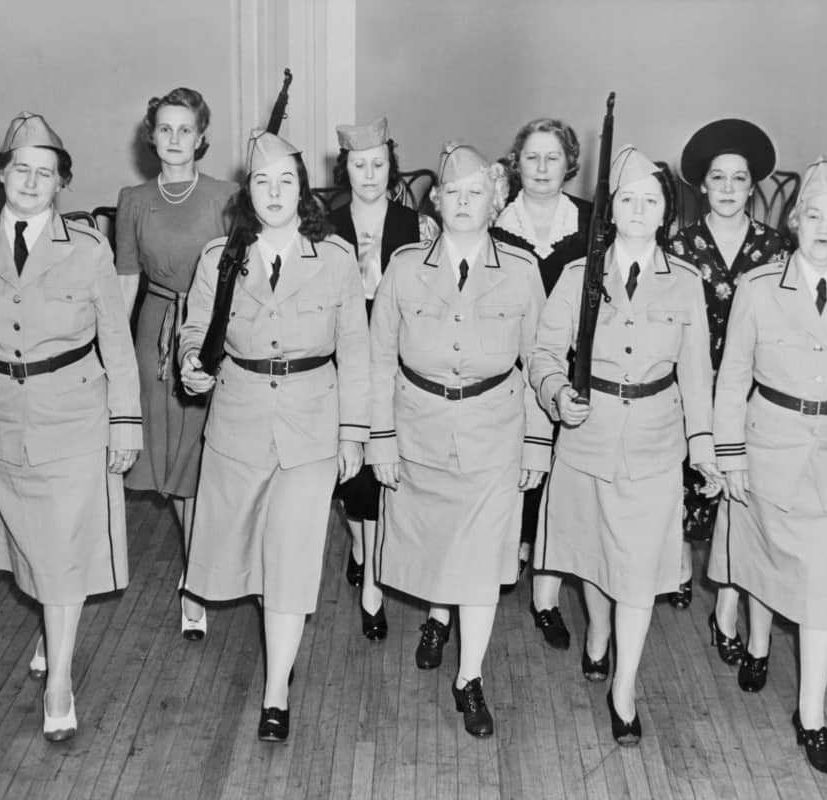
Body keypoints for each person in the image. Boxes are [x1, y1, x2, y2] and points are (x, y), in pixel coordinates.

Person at [0, 112, 142, 742]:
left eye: (45, 173)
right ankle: (51, 632)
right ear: (1, 175)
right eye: (20, 169)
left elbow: (117, 343)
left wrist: (124, 422)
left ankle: (59, 682)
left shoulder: (88, 250)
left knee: (62, 551)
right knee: (31, 547)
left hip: (75, 415)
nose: (31, 181)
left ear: (61, 184)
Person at [178, 130, 369, 743]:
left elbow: (358, 354)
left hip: (312, 423)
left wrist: (354, 433)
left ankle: (276, 688)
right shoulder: (218, 259)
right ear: (247, 191)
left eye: (286, 181)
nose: (275, 193)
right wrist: (191, 365)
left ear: (303, 191)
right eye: (262, 182)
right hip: (237, 420)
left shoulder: (335, 259)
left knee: (290, 556)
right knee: (237, 551)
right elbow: (194, 332)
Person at [709, 157, 827, 774]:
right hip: (767, 448)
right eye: (813, 215)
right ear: (794, 222)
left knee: (822, 589)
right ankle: (758, 645)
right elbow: (734, 374)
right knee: (766, 561)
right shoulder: (759, 287)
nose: (825, 227)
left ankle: (811, 716)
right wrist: (729, 452)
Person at [529, 146, 719, 746]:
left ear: (666, 212)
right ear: (612, 208)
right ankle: (596, 636)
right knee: (593, 556)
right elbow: (541, 355)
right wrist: (558, 394)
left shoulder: (686, 283)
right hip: (588, 437)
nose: (639, 211)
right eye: (628, 200)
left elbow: (697, 373)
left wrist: (704, 446)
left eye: (651, 200)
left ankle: (624, 687)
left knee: (638, 573)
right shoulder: (577, 275)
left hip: (656, 441)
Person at [368, 142, 550, 738]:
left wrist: (536, 443)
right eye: (454, 193)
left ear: (495, 201)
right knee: (436, 547)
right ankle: (435, 617)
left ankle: (469, 676)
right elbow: (376, 361)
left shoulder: (522, 272)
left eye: (477, 193)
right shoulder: (403, 267)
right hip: (418, 428)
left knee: (482, 561)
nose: (465, 203)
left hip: (494, 431)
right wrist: (381, 438)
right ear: (437, 202)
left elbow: (540, 361)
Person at [116, 87, 238, 640]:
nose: (174, 139)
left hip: (212, 334)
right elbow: (125, 282)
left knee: (197, 462)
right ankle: (195, 578)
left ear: (201, 137)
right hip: (152, 335)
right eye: (164, 129)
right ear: (151, 137)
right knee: (165, 460)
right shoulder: (134, 199)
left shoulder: (227, 195)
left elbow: (244, 275)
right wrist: (112, 354)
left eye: (184, 129)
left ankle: (197, 581)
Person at [667, 119, 791, 651]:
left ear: (752, 186)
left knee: (741, 499)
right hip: (692, 389)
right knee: (687, 491)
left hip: (750, 396)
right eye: (718, 178)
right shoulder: (678, 246)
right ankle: (674, 567)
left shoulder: (776, 247)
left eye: (738, 179)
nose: (727, 188)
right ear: (702, 184)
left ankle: (728, 601)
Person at [493, 117, 593, 650]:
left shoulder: (592, 224)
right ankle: (506, 560)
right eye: (531, 157)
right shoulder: (496, 224)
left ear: (568, 164)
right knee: (516, 470)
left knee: (561, 480)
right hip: (509, 370)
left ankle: (547, 597)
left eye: (552, 158)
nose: (541, 168)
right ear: (517, 162)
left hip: (569, 371)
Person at [327, 116, 422, 640]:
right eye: (359, 165)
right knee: (350, 469)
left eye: (379, 164)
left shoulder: (414, 225)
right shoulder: (326, 223)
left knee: (382, 466)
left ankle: (373, 585)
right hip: (342, 361)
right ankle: (361, 546)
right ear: (345, 168)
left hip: (394, 361)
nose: (370, 174)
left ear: (392, 166)